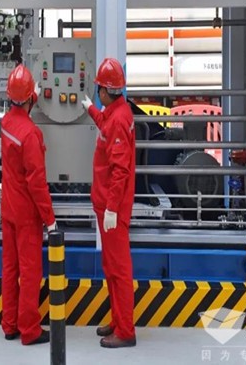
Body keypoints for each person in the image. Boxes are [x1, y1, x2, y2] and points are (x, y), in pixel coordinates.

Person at [81, 57, 137, 348]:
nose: (97, 92)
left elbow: (120, 170)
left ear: (105, 90)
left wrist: (113, 208)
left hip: (112, 207)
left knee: (119, 270)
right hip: (106, 205)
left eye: (98, 89)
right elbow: (104, 125)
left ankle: (125, 331)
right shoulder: (116, 112)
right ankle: (117, 320)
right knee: (111, 267)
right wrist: (90, 108)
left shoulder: (118, 119)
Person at [0, 64, 57, 346]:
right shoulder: (31, 134)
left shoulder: (6, 124)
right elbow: (37, 182)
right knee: (31, 271)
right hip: (26, 213)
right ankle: (30, 330)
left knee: (10, 269)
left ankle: (10, 324)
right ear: (30, 98)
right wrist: (50, 219)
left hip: (8, 208)